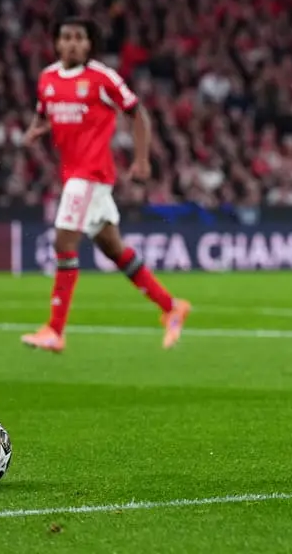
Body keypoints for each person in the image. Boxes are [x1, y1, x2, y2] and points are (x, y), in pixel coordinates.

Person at [21, 18, 191, 353]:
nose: (72, 43)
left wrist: (142, 160)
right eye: (66, 37)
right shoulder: (48, 78)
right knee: (113, 248)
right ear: (56, 44)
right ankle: (171, 307)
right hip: (73, 174)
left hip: (92, 174)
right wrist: (35, 129)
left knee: (63, 242)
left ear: (89, 44)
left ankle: (55, 330)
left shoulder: (102, 78)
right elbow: (44, 111)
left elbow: (138, 113)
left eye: (79, 38)